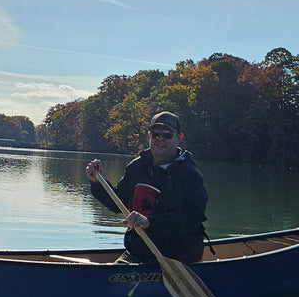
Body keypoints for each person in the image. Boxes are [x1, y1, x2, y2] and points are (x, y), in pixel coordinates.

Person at [86, 111, 208, 264]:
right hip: (137, 254)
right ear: (150, 135)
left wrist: (149, 223)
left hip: (177, 258)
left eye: (167, 135)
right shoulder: (137, 167)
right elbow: (118, 203)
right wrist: (97, 182)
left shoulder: (190, 175)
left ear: (179, 138)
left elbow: (191, 220)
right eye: (155, 134)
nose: (160, 139)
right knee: (112, 274)